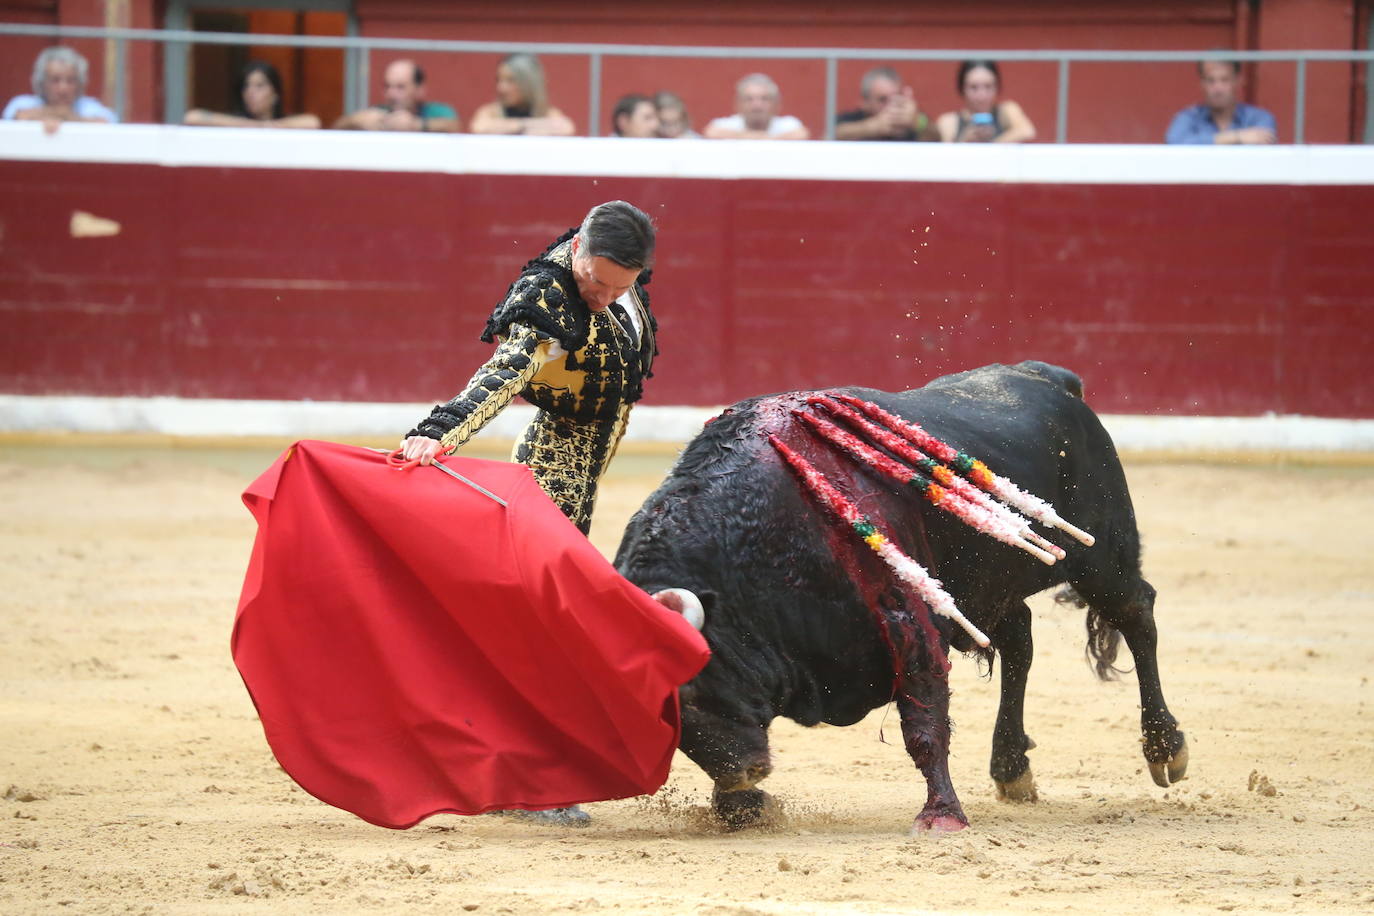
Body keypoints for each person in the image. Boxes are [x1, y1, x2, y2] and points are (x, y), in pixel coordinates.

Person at [400, 203, 657, 831]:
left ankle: (520, 763)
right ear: (577, 254)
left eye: (619, 287)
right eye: (596, 282)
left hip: (581, 464)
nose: (604, 296)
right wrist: (438, 431)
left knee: (548, 619)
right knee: (547, 626)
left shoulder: (607, 260)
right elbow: (504, 371)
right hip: (554, 466)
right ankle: (532, 779)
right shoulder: (548, 299)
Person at [1165, 58, 1276, 145]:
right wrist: (1236, 137)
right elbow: (1174, 142)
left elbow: (1263, 147)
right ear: (1202, 84)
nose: (1218, 89)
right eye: (1211, 81)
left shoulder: (1258, 117)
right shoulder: (1188, 117)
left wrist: (1207, 143)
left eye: (1225, 80)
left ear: (1237, 82)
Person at [183, 60, 320, 129]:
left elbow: (312, 122)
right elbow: (192, 117)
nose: (251, 92)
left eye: (260, 86)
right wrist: (247, 124)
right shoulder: (234, 122)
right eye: (246, 86)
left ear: (275, 94)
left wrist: (266, 126)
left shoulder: (285, 123)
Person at [3, 47, 116, 129]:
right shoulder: (22, 102)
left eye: (70, 81)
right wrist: (63, 115)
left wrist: (65, 117)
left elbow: (106, 124)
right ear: (41, 83)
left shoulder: (89, 106)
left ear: (80, 84)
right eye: (55, 80)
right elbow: (18, 117)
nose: (63, 89)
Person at [333, 59, 459, 132]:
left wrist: (416, 124)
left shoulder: (434, 111)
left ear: (419, 90)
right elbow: (337, 126)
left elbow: (453, 126)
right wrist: (357, 120)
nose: (391, 94)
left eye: (400, 87)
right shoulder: (378, 112)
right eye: (387, 86)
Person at [468, 53, 575, 136]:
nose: (501, 88)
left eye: (511, 80)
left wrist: (517, 126)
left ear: (528, 83)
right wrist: (524, 126)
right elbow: (478, 127)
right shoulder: (491, 112)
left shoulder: (547, 112)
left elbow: (566, 128)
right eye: (499, 80)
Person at [935, 60, 1036, 143]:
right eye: (973, 87)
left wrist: (991, 145)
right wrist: (965, 141)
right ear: (962, 89)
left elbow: (1027, 132)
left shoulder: (1006, 111)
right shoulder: (949, 122)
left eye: (988, 87)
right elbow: (942, 155)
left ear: (997, 87)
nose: (981, 96)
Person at [835, 66, 938, 142]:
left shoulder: (911, 120)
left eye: (897, 96)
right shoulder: (854, 118)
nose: (891, 105)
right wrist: (871, 127)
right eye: (883, 100)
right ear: (865, 103)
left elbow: (937, 139)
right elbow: (832, 135)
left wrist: (918, 122)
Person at [703, 73, 809, 140]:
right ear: (738, 104)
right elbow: (711, 132)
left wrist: (745, 137)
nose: (757, 105)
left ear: (777, 104)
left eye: (764, 99)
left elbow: (801, 134)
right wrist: (765, 138)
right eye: (749, 99)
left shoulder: (788, 124)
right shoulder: (726, 124)